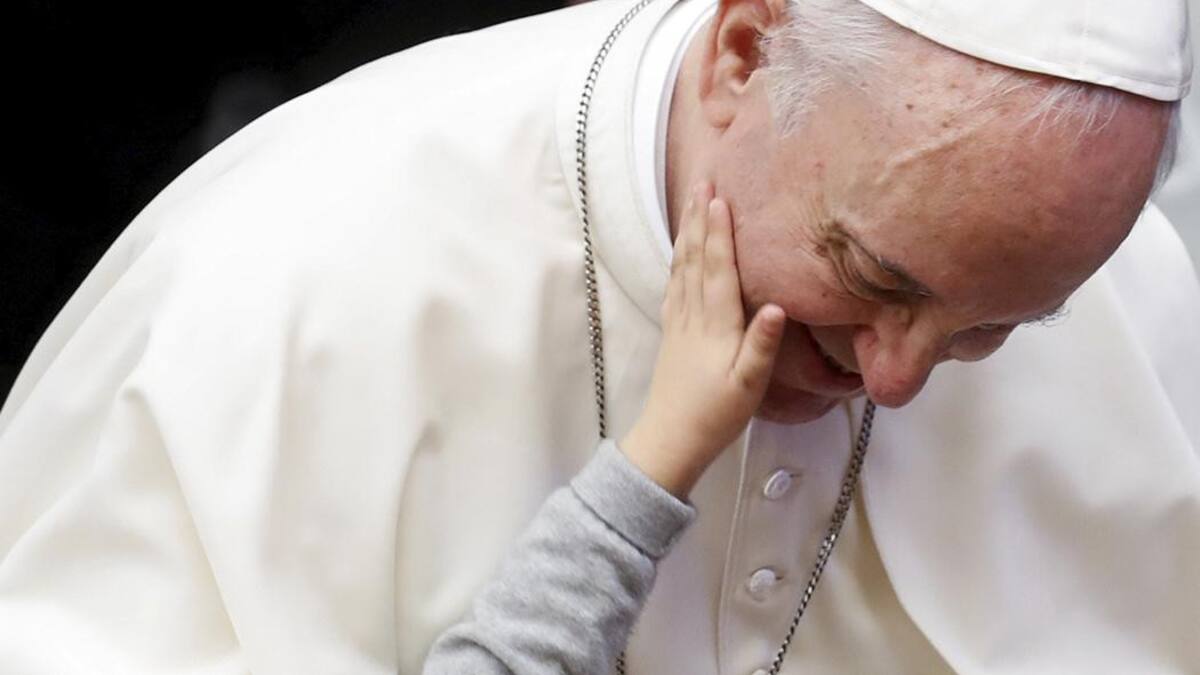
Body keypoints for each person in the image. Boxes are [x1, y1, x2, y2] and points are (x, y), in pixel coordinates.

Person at [0, 0, 1196, 673]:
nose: (893, 375)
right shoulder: (280, 282)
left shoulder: (1124, 290)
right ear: (745, 50)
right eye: (870, 276)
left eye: (995, 331)